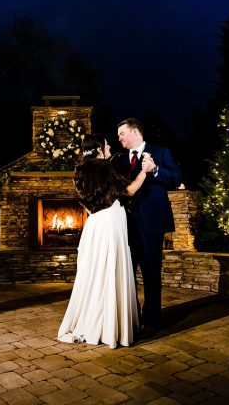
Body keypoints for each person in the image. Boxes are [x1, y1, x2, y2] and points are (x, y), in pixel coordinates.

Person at [57, 133, 155, 348]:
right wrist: (144, 172)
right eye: (107, 145)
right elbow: (129, 190)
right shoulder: (107, 167)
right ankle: (111, 325)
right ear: (99, 149)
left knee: (94, 270)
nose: (110, 146)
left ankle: (92, 319)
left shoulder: (79, 172)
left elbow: (83, 201)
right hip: (111, 222)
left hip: (94, 224)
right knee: (111, 267)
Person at [115, 118, 182, 339]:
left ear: (135, 132)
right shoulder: (120, 160)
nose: (119, 138)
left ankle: (151, 320)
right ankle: (132, 319)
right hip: (125, 226)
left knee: (151, 273)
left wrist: (155, 170)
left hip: (151, 224)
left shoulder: (161, 152)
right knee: (127, 274)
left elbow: (176, 179)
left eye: (122, 133)